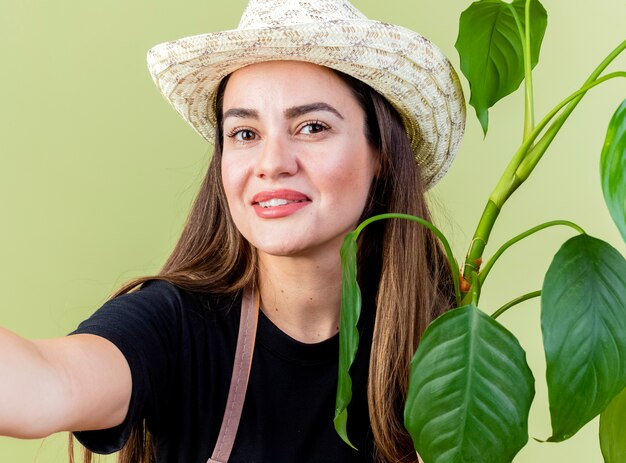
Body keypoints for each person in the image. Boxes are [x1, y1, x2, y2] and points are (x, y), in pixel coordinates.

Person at [0, 0, 465, 462]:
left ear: (380, 152)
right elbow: (44, 385)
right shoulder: (173, 325)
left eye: (311, 126)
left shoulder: (443, 343)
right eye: (245, 133)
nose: (273, 164)